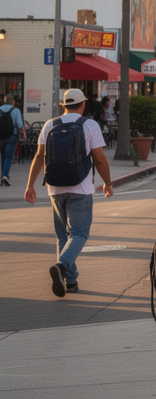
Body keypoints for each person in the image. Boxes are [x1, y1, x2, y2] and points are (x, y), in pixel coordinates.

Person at [23, 89, 114, 297]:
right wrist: (107, 183)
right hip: (80, 188)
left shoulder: (50, 125)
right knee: (79, 234)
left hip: (55, 188)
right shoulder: (89, 125)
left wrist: (30, 185)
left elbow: (39, 156)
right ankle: (62, 266)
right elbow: (100, 159)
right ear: (83, 104)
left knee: (63, 236)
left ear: (63, 106)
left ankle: (70, 281)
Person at [1, 92, 24, 186]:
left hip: (1, 136)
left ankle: (3, 175)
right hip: (12, 136)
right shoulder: (16, 110)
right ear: (13, 101)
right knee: (9, 157)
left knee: (3, 156)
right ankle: (5, 175)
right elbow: (20, 124)